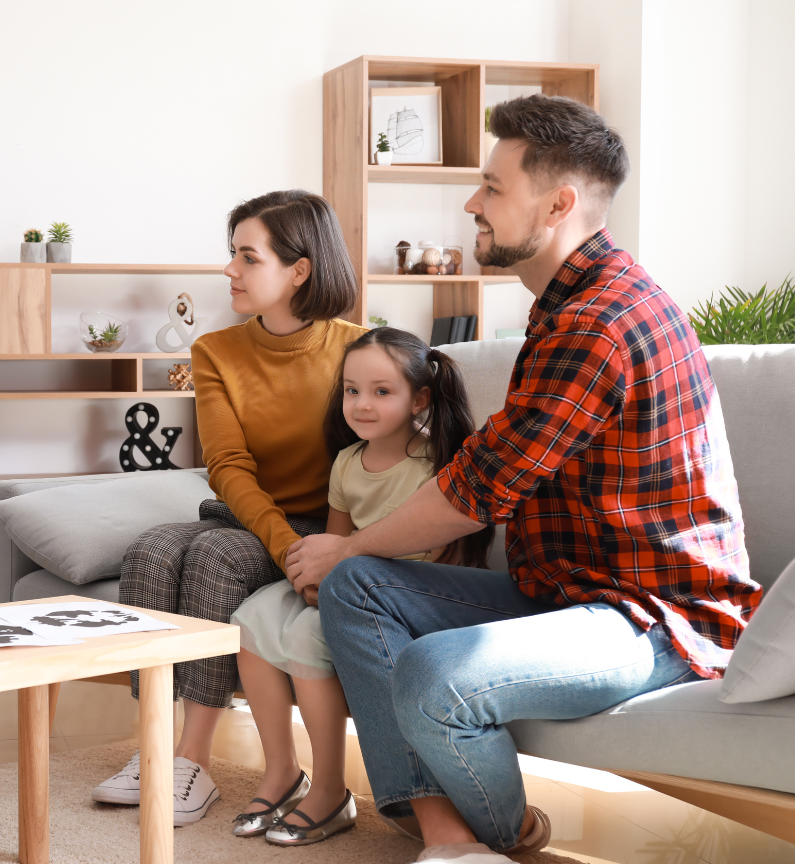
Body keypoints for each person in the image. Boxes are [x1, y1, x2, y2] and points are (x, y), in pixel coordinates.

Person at [287, 95, 763, 864]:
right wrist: (350, 559)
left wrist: (343, 546)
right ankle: (449, 838)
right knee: (358, 588)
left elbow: (477, 491)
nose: (471, 204)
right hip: (567, 593)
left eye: (492, 187)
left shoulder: (598, 322)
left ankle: (500, 836)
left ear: (558, 205)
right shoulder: (561, 305)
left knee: (432, 672)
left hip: (654, 618)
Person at [90, 190, 366, 824]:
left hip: (323, 525)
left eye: (248, 256)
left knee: (215, 556)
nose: (229, 269)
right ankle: (157, 744)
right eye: (232, 254)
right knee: (150, 550)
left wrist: (314, 548)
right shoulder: (216, 350)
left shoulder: (361, 349)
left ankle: (192, 760)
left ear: (299, 270)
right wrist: (283, 547)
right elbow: (228, 466)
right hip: (252, 518)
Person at [230, 327, 491, 847]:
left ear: (419, 399)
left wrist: (336, 585)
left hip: (403, 599)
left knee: (306, 637)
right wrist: (312, 580)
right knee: (250, 621)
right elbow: (335, 545)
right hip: (347, 582)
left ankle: (330, 789)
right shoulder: (347, 463)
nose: (362, 404)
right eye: (352, 390)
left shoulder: (436, 466)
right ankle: (282, 771)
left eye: (381, 391)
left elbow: (442, 564)